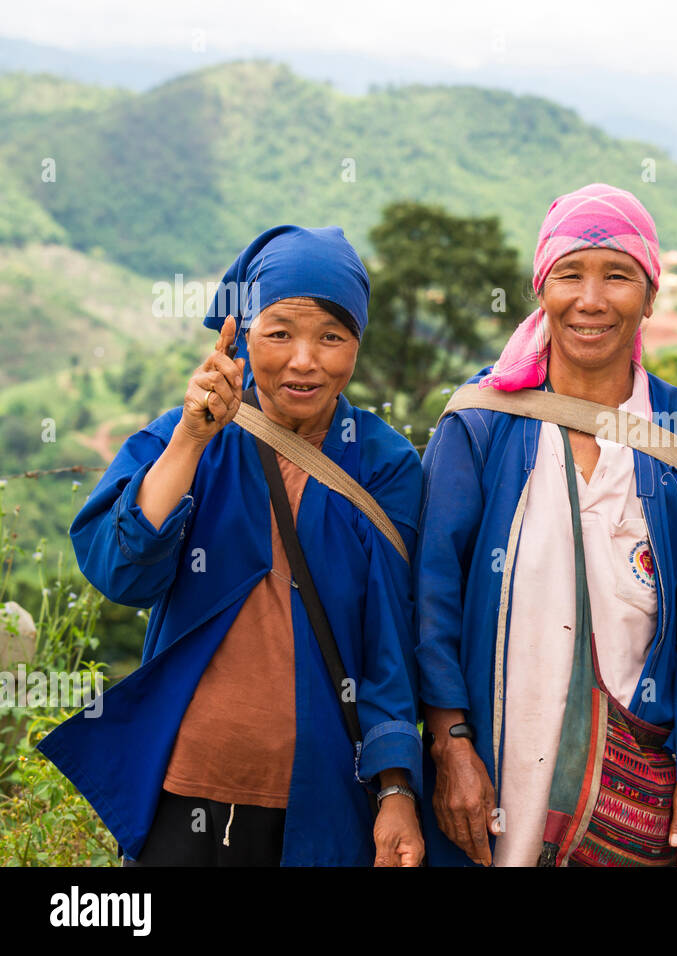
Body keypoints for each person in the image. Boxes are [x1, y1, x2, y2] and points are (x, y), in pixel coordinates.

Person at [38, 225, 424, 866]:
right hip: (182, 788)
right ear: (240, 335)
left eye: (332, 336)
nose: (305, 360)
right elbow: (119, 572)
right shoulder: (187, 437)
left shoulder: (384, 466)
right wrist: (191, 439)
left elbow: (390, 642)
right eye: (279, 333)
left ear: (357, 344)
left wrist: (395, 786)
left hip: (323, 800)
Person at [416, 183, 677, 867]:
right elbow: (434, 599)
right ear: (542, 288)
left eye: (617, 276)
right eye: (571, 274)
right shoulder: (480, 424)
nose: (591, 300)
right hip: (493, 764)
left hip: (626, 777)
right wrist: (450, 746)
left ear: (649, 297)